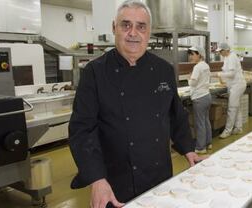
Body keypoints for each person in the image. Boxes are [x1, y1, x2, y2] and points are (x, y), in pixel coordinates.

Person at [68, 1, 204, 208]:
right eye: (126, 25)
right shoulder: (95, 72)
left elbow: (176, 115)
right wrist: (96, 179)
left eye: (141, 26)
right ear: (114, 28)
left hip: (160, 176)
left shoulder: (163, 70)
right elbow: (82, 130)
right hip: (115, 182)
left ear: (149, 31)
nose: (133, 33)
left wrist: (188, 150)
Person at [215, 42, 247, 139]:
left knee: (232, 108)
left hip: (237, 85)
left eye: (221, 51)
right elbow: (227, 72)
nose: (220, 53)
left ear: (225, 50)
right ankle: (238, 127)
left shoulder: (232, 57)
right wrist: (223, 78)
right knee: (237, 107)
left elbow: (232, 74)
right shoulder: (227, 58)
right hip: (234, 85)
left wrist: (219, 75)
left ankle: (227, 130)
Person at [187, 46, 212, 154]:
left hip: (199, 98)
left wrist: (189, 79)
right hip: (207, 96)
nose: (190, 57)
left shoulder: (197, 67)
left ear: (199, 55)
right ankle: (208, 142)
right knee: (206, 121)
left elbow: (193, 83)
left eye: (193, 54)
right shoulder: (206, 65)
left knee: (200, 123)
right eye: (190, 54)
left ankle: (201, 147)